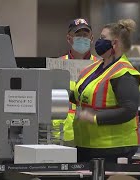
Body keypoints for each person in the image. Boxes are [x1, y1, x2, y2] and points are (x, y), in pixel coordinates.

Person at [70, 19, 140, 163]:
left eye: (103, 38)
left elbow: (129, 110)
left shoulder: (124, 73)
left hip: (114, 147)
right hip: (86, 145)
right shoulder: (94, 68)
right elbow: (80, 96)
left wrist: (95, 117)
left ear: (114, 43)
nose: (98, 42)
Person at [52, 18, 98, 146]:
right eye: (78, 35)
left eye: (86, 35)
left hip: (91, 132)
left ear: (92, 38)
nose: (82, 38)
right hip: (62, 134)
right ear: (69, 38)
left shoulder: (100, 66)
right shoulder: (57, 65)